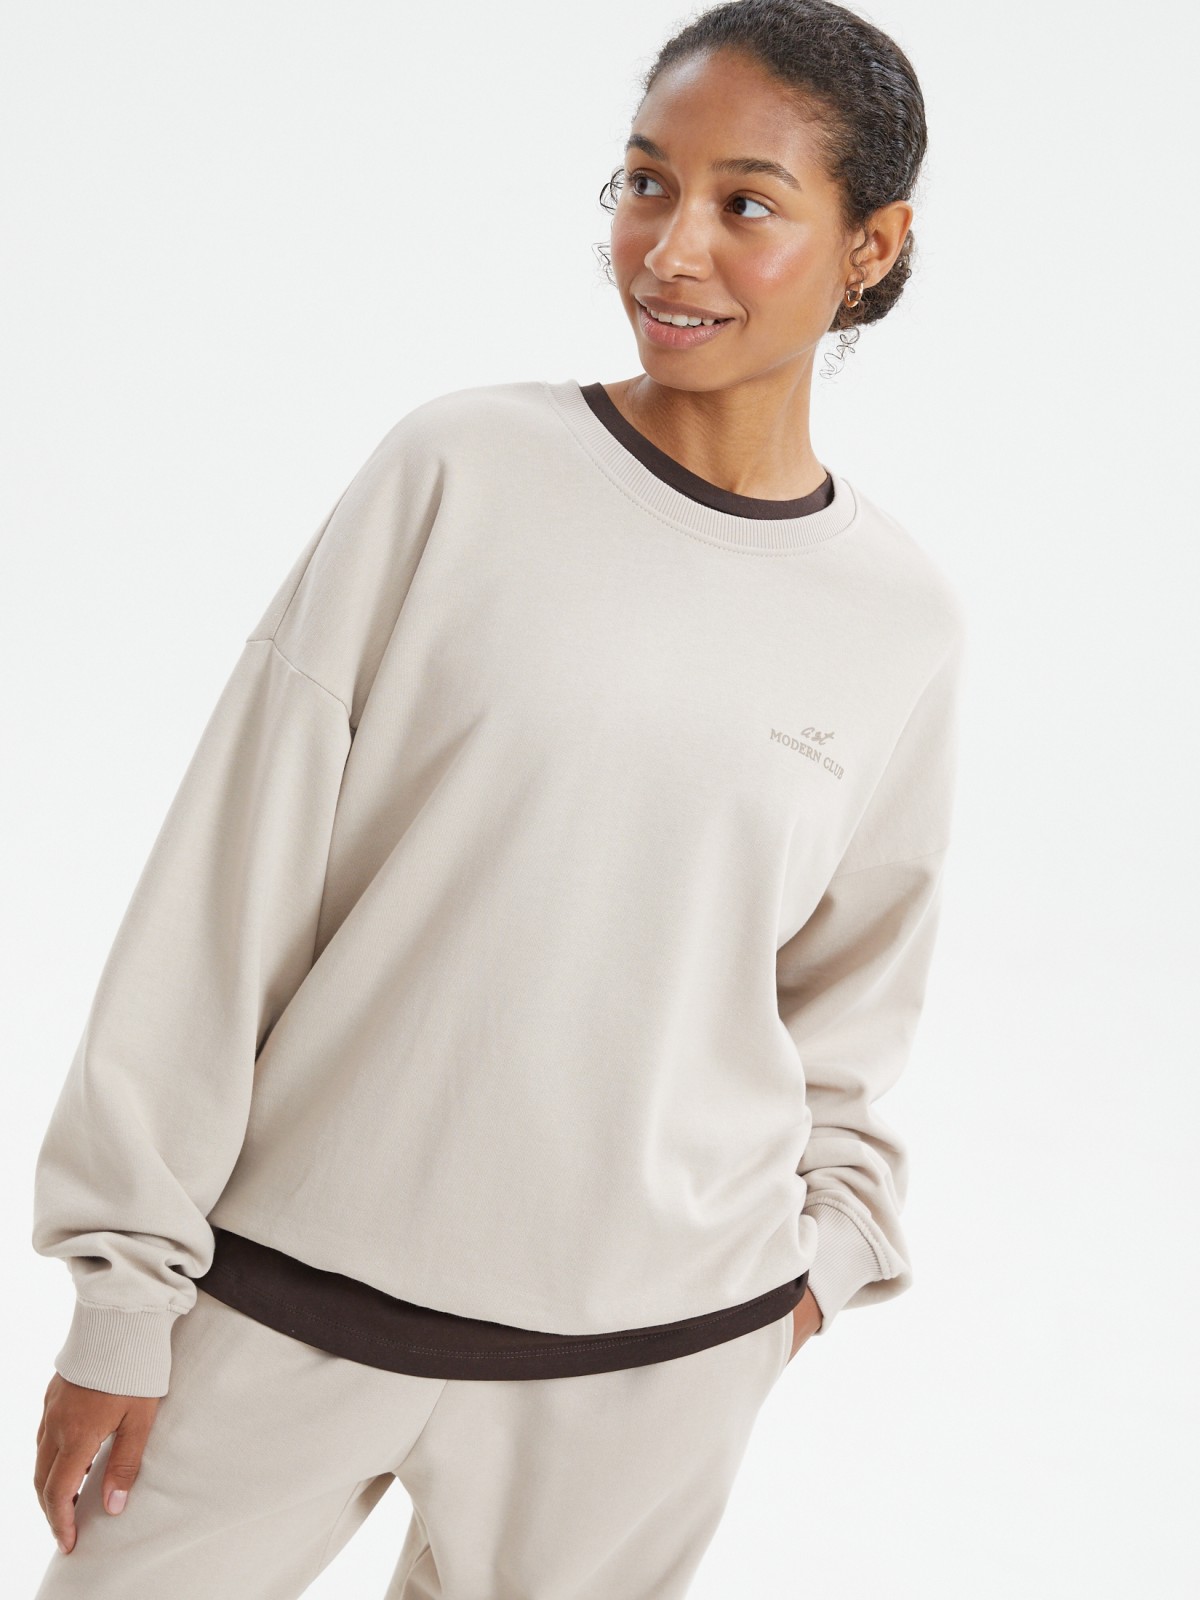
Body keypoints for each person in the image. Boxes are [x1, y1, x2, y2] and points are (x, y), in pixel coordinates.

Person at [29, 2, 966, 1595]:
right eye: (645, 183)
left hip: (647, 1370)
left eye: (746, 204)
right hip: (282, 1300)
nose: (670, 248)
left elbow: (851, 1007)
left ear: (870, 247)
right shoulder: (458, 471)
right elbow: (228, 886)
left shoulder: (900, 621)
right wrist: (125, 1289)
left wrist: (811, 1275)